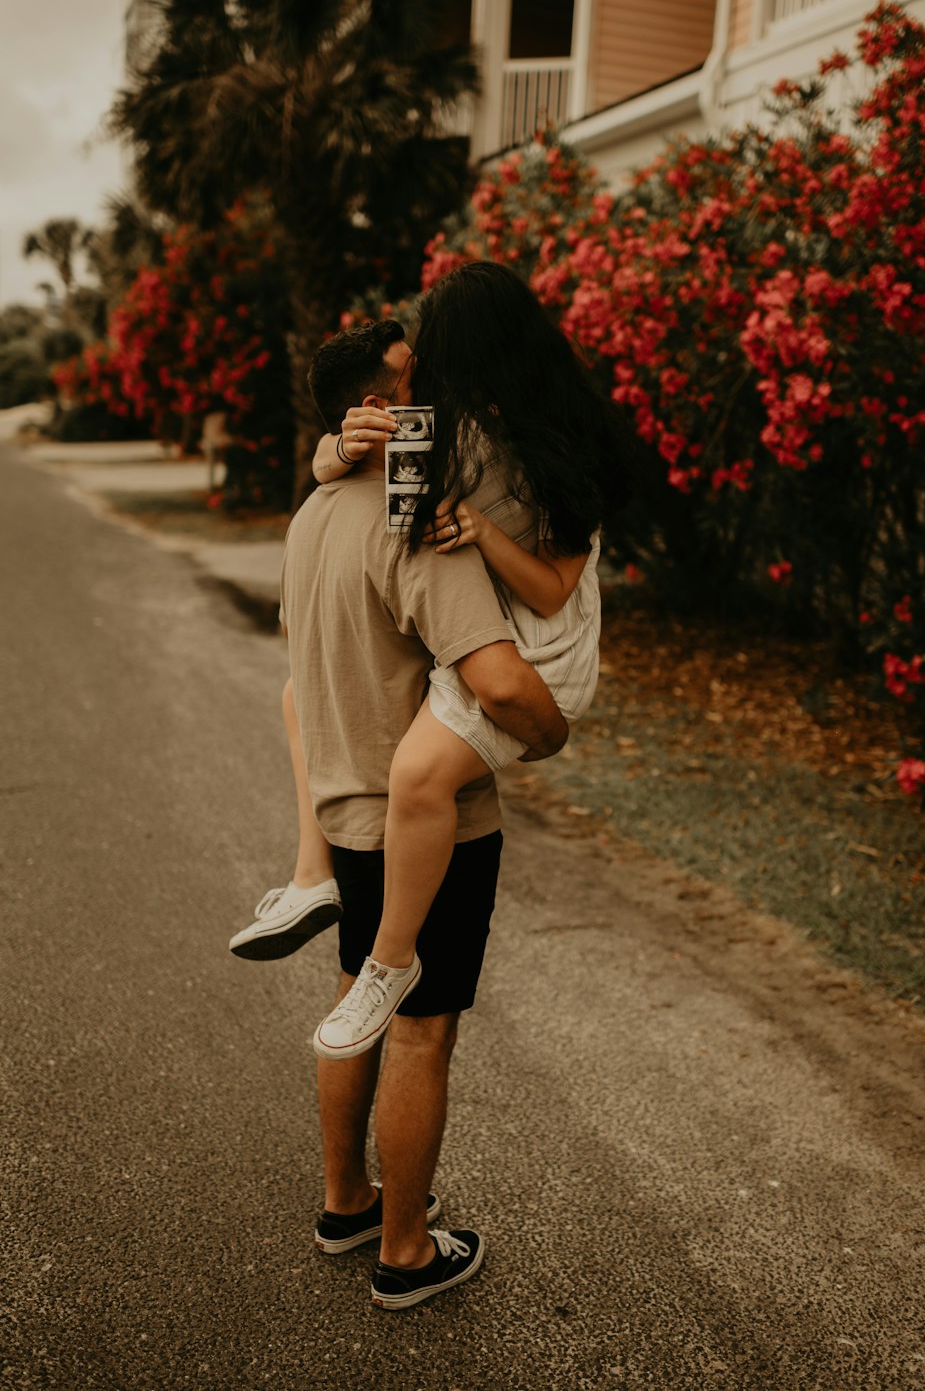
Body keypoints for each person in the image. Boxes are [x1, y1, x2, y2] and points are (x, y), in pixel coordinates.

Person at [279, 316, 569, 1309]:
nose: (434, 397)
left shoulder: (312, 515)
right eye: (412, 382)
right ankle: (404, 1251)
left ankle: (345, 1200)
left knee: (364, 991)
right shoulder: (414, 522)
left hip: (348, 810)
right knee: (418, 1031)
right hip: (430, 827)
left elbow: (302, 668)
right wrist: (551, 730)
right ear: (373, 411)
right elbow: (499, 684)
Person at [308, 262, 629, 1063]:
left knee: (419, 776)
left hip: (544, 650)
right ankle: (312, 877)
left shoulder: (560, 441)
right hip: (480, 632)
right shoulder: (452, 425)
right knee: (298, 691)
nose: (429, 365)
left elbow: (556, 592)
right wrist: (338, 446)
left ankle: (388, 963)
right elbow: (338, 464)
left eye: (439, 346)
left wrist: (481, 534)